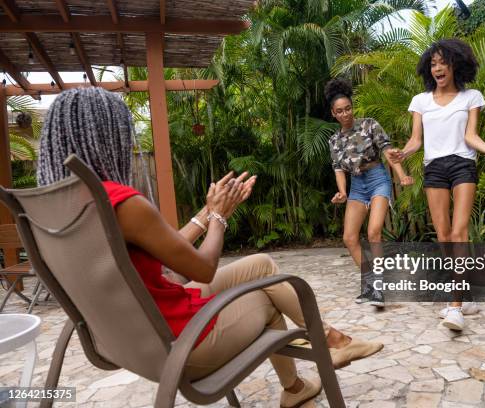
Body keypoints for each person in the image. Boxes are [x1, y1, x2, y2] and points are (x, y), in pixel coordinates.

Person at [37, 87, 384, 408]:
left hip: (129, 340)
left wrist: (207, 212)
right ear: (107, 138)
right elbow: (201, 269)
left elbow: (161, 248)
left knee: (261, 265)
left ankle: (317, 362)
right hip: (179, 344)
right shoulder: (123, 202)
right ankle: (323, 354)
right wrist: (219, 219)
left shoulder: (55, 210)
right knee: (268, 295)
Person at [388, 39, 485, 330]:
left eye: (443, 62)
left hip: (463, 163)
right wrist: (403, 153)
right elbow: (416, 141)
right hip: (434, 167)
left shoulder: (470, 96)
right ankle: (463, 293)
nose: (437, 68)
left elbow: (471, 137)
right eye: (433, 63)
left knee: (460, 231)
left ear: (455, 65)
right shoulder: (420, 101)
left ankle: (455, 306)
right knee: (445, 235)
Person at [325, 78, 413, 309]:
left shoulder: (369, 125)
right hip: (356, 185)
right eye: (340, 111)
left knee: (374, 232)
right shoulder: (334, 141)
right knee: (349, 238)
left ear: (352, 108)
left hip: (377, 179)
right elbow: (338, 169)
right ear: (333, 114)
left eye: (348, 109)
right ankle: (369, 283)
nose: (345, 114)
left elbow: (387, 152)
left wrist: (401, 175)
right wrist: (342, 192)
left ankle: (379, 287)